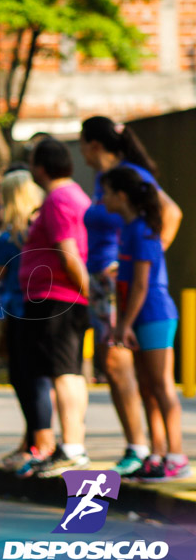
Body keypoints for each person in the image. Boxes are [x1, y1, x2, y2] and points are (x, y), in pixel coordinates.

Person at [80, 116, 182, 476]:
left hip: (130, 288)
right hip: (110, 283)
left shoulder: (131, 177)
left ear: (94, 144)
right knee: (125, 369)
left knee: (126, 366)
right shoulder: (102, 181)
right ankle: (147, 448)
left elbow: (170, 212)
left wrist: (148, 257)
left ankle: (158, 450)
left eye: (82, 142)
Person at [102, 166, 189, 481]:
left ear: (122, 195)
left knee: (162, 385)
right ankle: (157, 451)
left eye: (108, 192)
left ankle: (176, 454)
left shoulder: (143, 230)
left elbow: (141, 284)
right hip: (137, 316)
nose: (104, 199)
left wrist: (124, 322)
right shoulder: (130, 229)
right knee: (147, 387)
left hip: (153, 313)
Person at [16, 138, 91, 478]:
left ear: (41, 167)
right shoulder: (74, 195)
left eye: (33, 162)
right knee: (70, 372)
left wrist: (87, 291)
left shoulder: (59, 198)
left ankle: (73, 447)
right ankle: (74, 444)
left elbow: (68, 250)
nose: (31, 169)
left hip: (56, 297)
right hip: (63, 297)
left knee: (62, 373)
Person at [0, 170, 50, 471]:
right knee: (34, 375)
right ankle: (32, 439)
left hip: (19, 308)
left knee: (24, 376)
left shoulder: (10, 236)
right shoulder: (34, 230)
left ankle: (39, 441)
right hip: (38, 306)